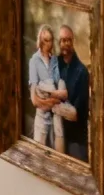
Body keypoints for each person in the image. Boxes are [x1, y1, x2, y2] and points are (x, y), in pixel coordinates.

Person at [28, 25, 71, 154]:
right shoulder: (34, 61)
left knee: (55, 156)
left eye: (50, 40)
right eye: (45, 40)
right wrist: (51, 102)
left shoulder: (55, 61)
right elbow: (34, 99)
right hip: (41, 117)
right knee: (38, 155)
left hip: (55, 116)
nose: (48, 43)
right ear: (40, 41)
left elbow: (62, 90)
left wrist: (54, 98)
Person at [56, 25, 89, 162]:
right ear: (59, 43)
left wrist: (53, 105)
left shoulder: (82, 72)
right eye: (63, 40)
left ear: (73, 41)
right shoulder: (55, 64)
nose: (66, 44)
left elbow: (76, 114)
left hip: (76, 140)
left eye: (68, 40)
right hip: (57, 134)